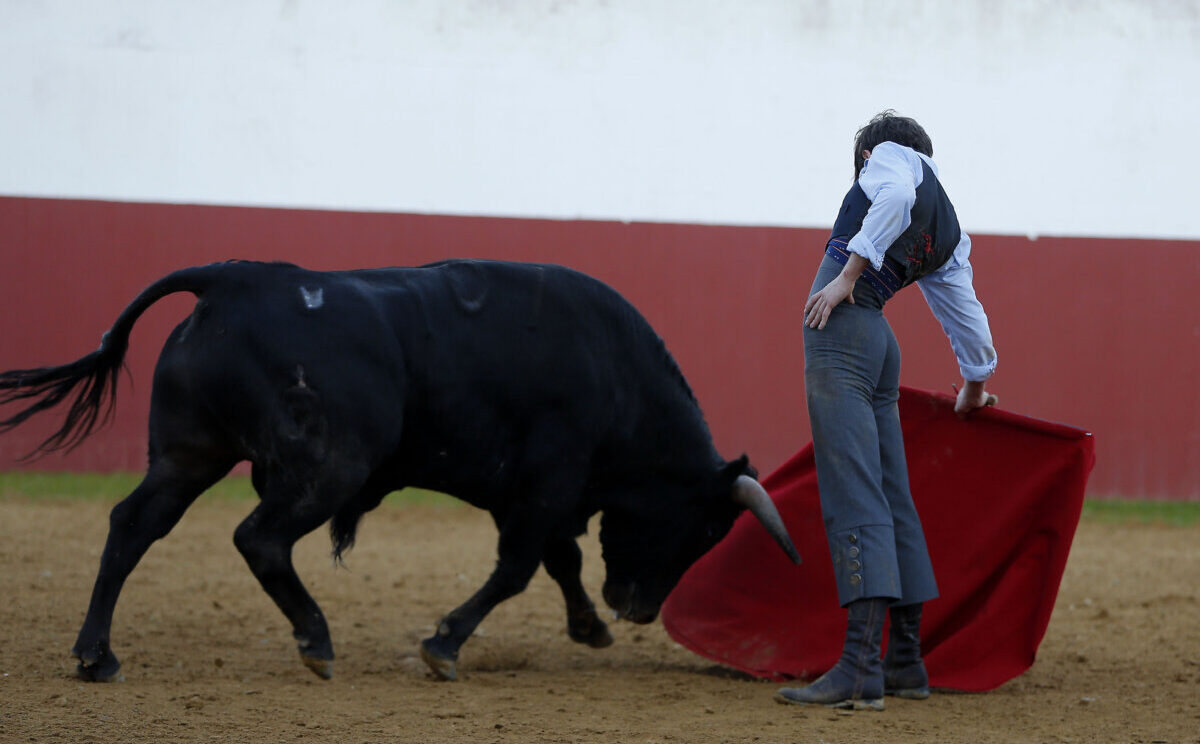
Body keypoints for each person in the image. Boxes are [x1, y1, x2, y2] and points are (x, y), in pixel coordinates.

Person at [774, 111, 997, 711]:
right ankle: (904, 662)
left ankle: (859, 668)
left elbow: (894, 194)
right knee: (893, 493)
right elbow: (967, 314)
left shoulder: (890, 161)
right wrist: (975, 384)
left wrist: (848, 273)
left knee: (856, 492)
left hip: (841, 332)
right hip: (879, 342)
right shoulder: (949, 228)